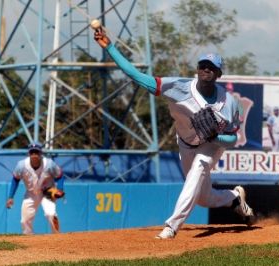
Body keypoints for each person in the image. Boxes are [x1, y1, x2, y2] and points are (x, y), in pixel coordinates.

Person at [94, 27, 255, 239]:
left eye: (211, 67)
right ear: (197, 70)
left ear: (218, 74)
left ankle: (171, 226)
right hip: (185, 143)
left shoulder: (229, 103)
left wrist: (215, 138)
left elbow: (233, 139)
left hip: (211, 145)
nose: (206, 69)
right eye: (202, 66)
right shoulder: (178, 88)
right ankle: (234, 198)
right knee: (202, 197)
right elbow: (135, 75)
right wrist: (110, 48)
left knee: (200, 166)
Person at [5, 142, 65, 234]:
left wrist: (60, 189)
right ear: (29, 154)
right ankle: (30, 241)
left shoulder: (49, 164)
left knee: (51, 214)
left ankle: (57, 237)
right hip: (31, 193)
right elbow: (15, 180)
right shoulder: (21, 165)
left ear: (41, 153)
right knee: (24, 221)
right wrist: (10, 197)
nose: (34, 155)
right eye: (32, 152)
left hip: (47, 192)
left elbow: (59, 175)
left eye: (36, 152)